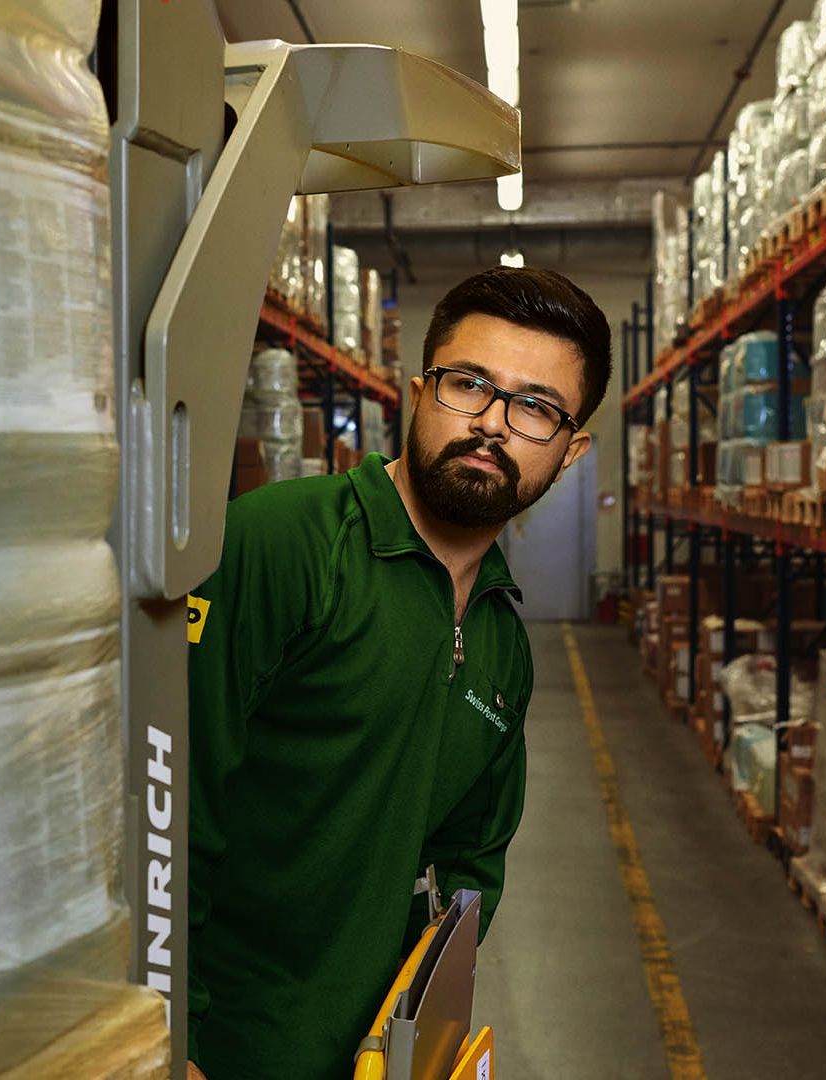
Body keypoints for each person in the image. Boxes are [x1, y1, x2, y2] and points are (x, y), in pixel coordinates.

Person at [185, 267, 609, 1079]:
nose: (492, 424)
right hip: (228, 1046)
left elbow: (470, 863)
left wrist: (421, 1024)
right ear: (418, 393)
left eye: (535, 408)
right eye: (468, 385)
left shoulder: (500, 641)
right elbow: (166, 808)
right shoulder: (283, 546)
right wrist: (176, 1042)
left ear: (570, 449)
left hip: (374, 1056)